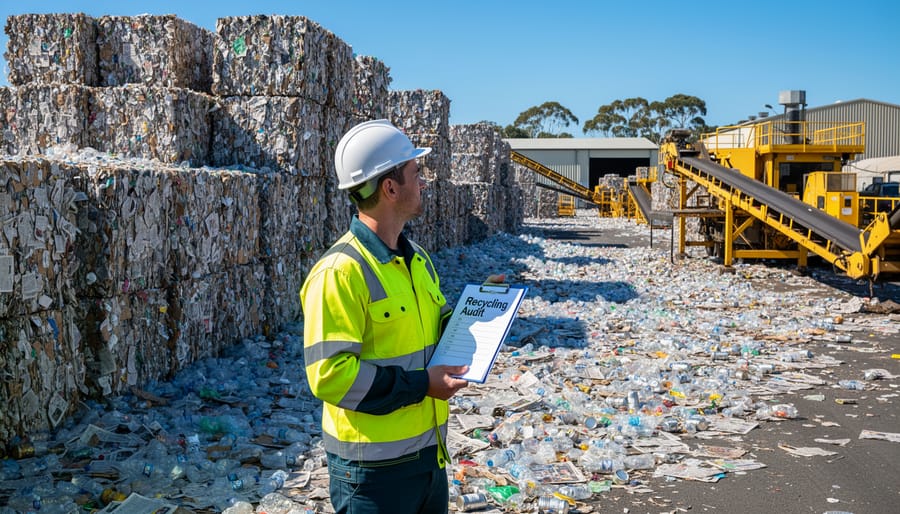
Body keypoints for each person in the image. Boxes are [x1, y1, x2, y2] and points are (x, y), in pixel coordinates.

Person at [300, 119, 474, 513]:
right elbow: (331, 376)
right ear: (390, 188)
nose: (423, 182)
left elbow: (437, 331)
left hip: (429, 461)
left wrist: (483, 306)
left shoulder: (417, 260)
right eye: (415, 172)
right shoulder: (339, 273)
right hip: (373, 478)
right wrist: (422, 385)